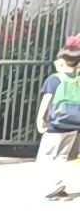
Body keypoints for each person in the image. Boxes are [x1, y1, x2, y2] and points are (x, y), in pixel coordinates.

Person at [36, 37, 80, 201]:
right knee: (62, 156)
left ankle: (50, 187)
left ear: (61, 61)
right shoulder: (77, 80)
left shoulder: (55, 79)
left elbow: (46, 100)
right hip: (74, 125)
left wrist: (40, 119)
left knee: (47, 156)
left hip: (55, 125)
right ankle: (60, 185)